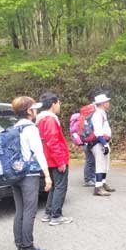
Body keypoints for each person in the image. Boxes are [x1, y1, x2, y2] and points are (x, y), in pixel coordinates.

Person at [10, 96, 52, 250]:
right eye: (34, 108)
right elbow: (39, 153)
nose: (36, 111)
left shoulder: (14, 128)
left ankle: (20, 244)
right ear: (29, 111)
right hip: (29, 175)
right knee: (30, 211)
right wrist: (47, 175)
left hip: (15, 173)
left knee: (20, 210)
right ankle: (27, 248)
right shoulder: (30, 128)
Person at [36, 92, 73, 226]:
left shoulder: (40, 119)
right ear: (53, 104)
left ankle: (49, 212)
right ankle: (56, 216)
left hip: (47, 158)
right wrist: (61, 161)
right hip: (54, 158)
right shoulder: (50, 119)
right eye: (58, 103)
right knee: (60, 186)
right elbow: (53, 141)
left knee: (53, 186)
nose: (59, 105)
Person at [91, 94, 116, 196]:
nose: (108, 103)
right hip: (99, 143)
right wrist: (104, 144)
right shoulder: (97, 114)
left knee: (105, 164)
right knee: (100, 164)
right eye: (107, 102)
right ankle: (98, 187)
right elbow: (98, 132)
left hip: (104, 142)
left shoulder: (102, 113)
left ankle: (103, 183)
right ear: (102, 104)